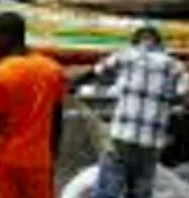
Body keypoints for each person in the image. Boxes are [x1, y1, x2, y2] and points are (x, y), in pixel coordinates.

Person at [72, 26, 189, 198]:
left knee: (109, 188)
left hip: (122, 136)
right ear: (159, 43)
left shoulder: (125, 55)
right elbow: (183, 94)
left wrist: (74, 85)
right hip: (152, 141)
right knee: (141, 190)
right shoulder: (175, 66)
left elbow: (96, 71)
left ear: (135, 42)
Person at [0, 11, 66, 198]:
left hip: (8, 164)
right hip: (40, 163)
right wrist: (52, 158)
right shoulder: (52, 69)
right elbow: (57, 120)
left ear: (7, 37)